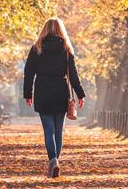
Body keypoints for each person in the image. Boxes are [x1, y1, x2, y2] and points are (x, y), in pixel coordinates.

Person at [23, 17, 85, 178]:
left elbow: (28, 73)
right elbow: (73, 75)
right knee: (58, 130)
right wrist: (80, 94)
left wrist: (27, 94)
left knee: (48, 130)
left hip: (43, 91)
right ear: (61, 30)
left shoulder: (36, 47)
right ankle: (55, 160)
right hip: (60, 91)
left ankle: (53, 161)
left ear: (44, 29)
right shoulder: (66, 48)